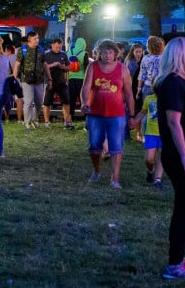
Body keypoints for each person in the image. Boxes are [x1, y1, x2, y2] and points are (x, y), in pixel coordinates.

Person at [155, 37, 185, 281]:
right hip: (180, 153)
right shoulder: (173, 83)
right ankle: (175, 264)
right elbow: (174, 122)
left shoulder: (184, 82)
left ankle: (179, 259)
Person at [81, 39, 135, 188]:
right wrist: (85, 103)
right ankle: (97, 171)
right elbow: (86, 87)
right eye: (104, 52)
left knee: (116, 147)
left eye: (111, 52)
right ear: (99, 53)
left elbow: (129, 93)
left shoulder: (122, 68)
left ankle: (115, 179)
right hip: (95, 113)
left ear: (116, 54)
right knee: (94, 145)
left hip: (117, 114)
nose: (107, 55)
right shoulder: (93, 67)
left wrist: (132, 115)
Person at [14, 31, 47, 129]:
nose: (37, 40)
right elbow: (17, 65)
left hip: (39, 80)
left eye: (37, 38)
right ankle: (27, 122)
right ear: (29, 40)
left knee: (39, 102)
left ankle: (33, 119)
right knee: (28, 101)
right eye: (35, 39)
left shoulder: (41, 50)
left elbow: (44, 64)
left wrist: (49, 77)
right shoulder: (22, 50)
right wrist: (14, 79)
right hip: (26, 79)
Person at [132, 90, 163, 188]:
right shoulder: (149, 99)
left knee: (161, 157)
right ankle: (151, 171)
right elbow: (143, 112)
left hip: (164, 134)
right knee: (149, 159)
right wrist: (135, 121)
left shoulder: (169, 98)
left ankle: (158, 180)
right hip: (150, 133)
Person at [42, 38, 71, 128]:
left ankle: (67, 121)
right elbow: (43, 67)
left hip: (61, 81)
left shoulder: (63, 54)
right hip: (49, 81)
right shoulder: (46, 54)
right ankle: (47, 122)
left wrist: (63, 67)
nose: (58, 49)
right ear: (52, 45)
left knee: (66, 102)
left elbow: (69, 67)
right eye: (56, 47)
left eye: (60, 47)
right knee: (47, 102)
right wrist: (53, 64)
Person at [68, 37, 89, 120]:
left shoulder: (68, 52)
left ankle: (69, 120)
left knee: (71, 100)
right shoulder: (84, 53)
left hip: (70, 79)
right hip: (81, 80)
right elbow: (87, 67)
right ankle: (86, 121)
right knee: (83, 100)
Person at [138, 36, 165, 102]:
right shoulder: (165, 58)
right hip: (161, 87)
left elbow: (142, 75)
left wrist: (139, 89)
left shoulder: (146, 58)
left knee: (147, 109)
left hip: (148, 86)